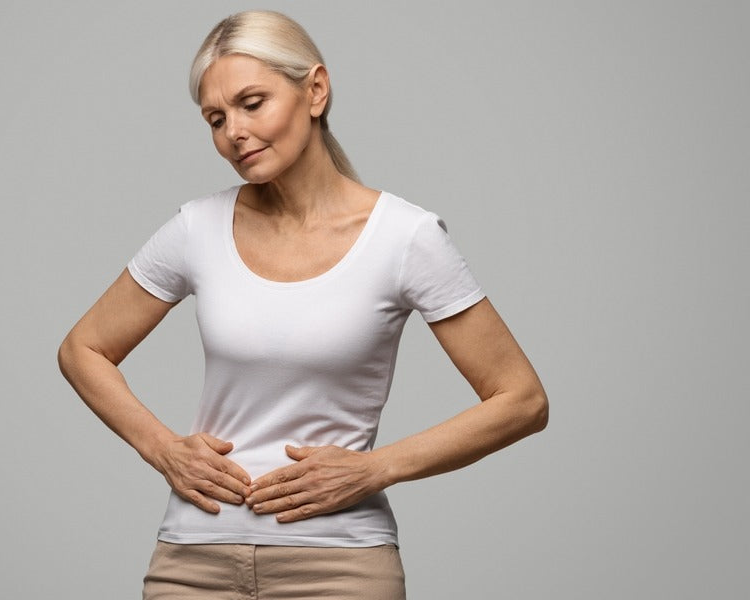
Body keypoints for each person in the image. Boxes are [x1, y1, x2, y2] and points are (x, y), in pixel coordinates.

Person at [58, 10, 548, 599]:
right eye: (216, 118)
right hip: (192, 563)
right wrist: (163, 449)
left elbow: (522, 400)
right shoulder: (197, 228)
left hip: (340, 568)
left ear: (315, 90)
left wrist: (376, 468)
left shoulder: (404, 238)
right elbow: (82, 349)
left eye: (252, 103)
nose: (234, 132)